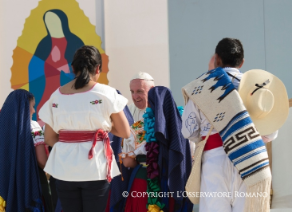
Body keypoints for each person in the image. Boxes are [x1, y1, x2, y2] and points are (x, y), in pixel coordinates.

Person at [181, 38, 286, 212]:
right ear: (242, 62)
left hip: (214, 163)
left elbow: (189, 131)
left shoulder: (200, 87)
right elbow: (271, 133)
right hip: (250, 161)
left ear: (216, 59)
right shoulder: (257, 89)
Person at [39, 45, 130, 212]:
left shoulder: (56, 95)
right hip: (95, 167)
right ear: (98, 68)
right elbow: (125, 131)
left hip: (65, 168)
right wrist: (102, 128)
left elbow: (49, 138)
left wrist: (72, 139)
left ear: (73, 68)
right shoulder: (106, 93)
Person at [120, 86, 193, 212]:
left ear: (149, 103)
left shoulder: (138, 128)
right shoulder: (183, 129)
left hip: (142, 180)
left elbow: (127, 162)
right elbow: (190, 157)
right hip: (173, 182)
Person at [0, 89, 44, 211]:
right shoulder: (33, 126)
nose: (34, 111)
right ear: (23, 107)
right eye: (32, 106)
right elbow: (42, 160)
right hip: (25, 187)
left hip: (0, 190)